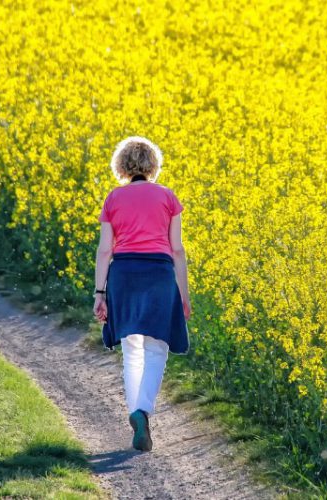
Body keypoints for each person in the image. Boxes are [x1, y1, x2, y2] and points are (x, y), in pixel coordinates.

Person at [93, 136, 191, 452]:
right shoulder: (167, 197)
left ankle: (138, 415)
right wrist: (184, 294)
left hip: (123, 275)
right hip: (159, 276)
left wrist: (100, 292)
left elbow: (105, 249)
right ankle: (142, 411)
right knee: (157, 349)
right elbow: (177, 249)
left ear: (121, 166)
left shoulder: (114, 198)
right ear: (153, 165)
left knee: (131, 347)